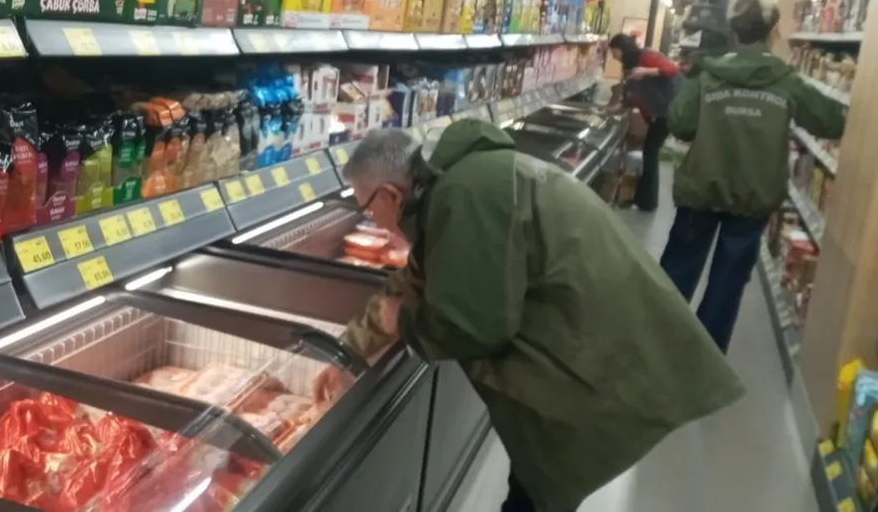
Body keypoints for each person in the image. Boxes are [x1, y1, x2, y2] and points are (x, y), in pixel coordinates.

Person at [315, 122, 745, 512]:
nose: (371, 219)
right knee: (532, 487)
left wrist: (404, 322)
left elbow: (474, 326)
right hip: (591, 343)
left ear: (390, 195)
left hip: (598, 361)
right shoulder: (459, 182)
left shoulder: (464, 197)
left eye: (366, 207)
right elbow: (419, 274)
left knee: (537, 494)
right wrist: (348, 350)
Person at [662, 0, 846, 352]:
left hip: (701, 188)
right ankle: (706, 361)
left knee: (678, 270)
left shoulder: (709, 75)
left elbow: (679, 123)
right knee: (728, 281)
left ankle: (657, 345)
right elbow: (831, 123)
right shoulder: (786, 81)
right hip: (754, 196)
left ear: (733, 28)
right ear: (773, 30)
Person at [608, 33, 683, 211]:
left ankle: (647, 201)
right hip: (656, 115)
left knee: (650, 153)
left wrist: (647, 71)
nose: (613, 55)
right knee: (650, 153)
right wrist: (613, 108)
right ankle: (643, 199)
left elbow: (673, 69)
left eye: (613, 51)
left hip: (667, 112)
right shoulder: (629, 67)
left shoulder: (647, 56)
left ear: (621, 49)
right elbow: (631, 96)